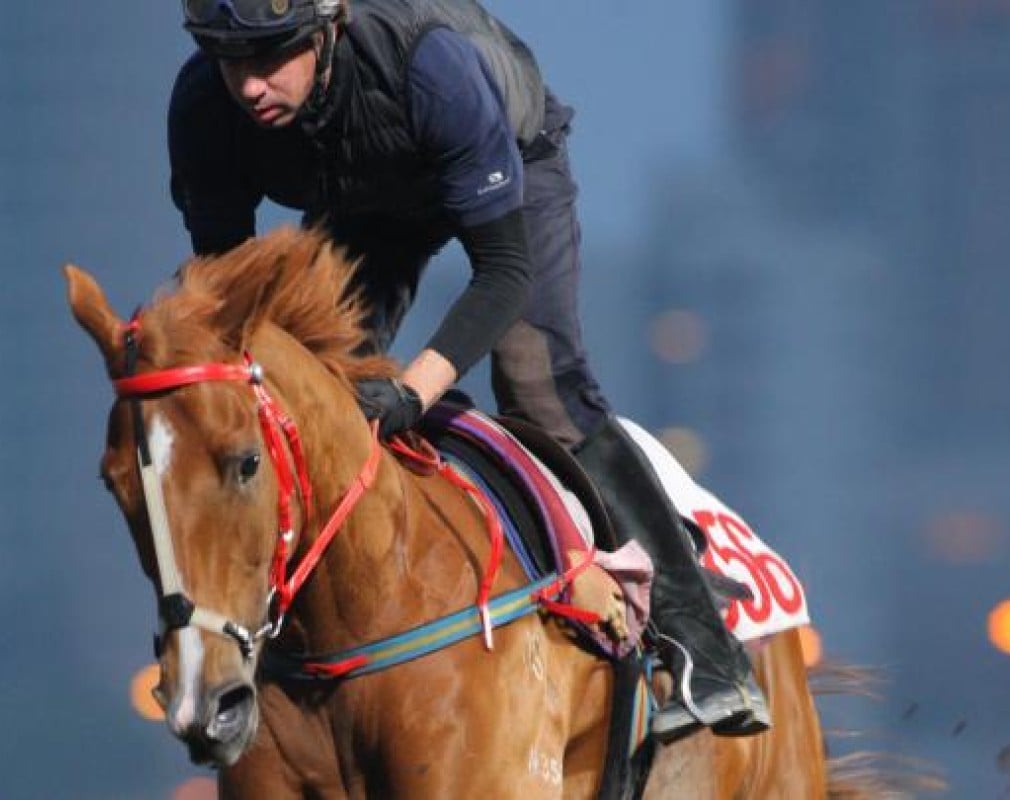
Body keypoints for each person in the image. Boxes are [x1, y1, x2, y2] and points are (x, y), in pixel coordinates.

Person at [167, 0, 769, 744]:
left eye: (269, 57)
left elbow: (503, 271)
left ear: (327, 30)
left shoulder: (433, 69)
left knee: (538, 385)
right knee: (301, 397)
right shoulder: (203, 108)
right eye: (231, 61)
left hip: (510, 170)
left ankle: (705, 646)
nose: (250, 85)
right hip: (366, 204)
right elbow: (232, 302)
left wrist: (412, 392)